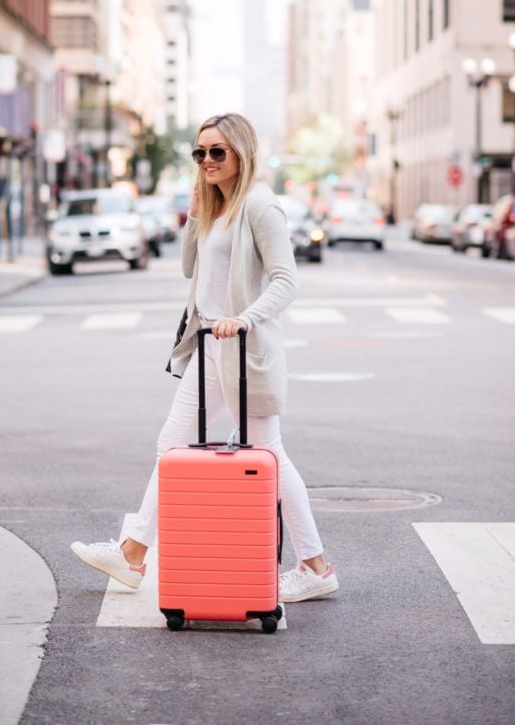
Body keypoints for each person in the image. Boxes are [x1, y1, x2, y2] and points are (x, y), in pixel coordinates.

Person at [71, 113, 338, 603]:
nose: (208, 161)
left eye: (217, 152)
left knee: (270, 457)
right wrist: (196, 213)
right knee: (172, 444)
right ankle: (132, 554)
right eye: (200, 153)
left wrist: (246, 318)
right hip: (210, 343)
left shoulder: (261, 206)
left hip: (244, 349)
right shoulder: (219, 206)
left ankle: (315, 565)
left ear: (242, 152)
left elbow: (286, 280)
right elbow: (189, 268)